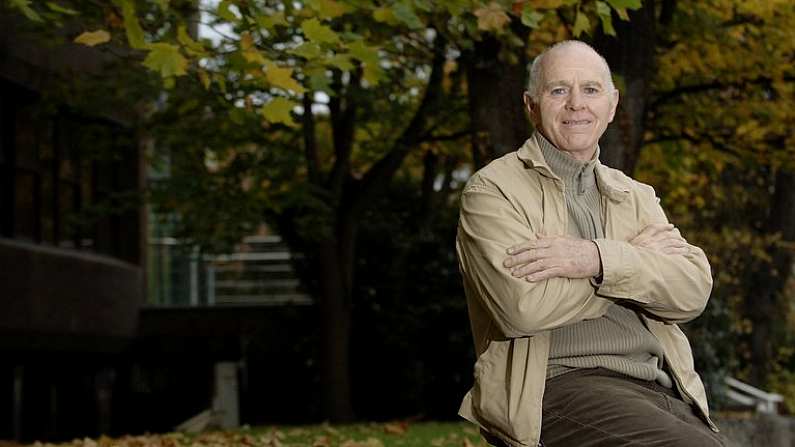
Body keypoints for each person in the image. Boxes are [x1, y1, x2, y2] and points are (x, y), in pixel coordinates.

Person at [456, 40, 726, 447]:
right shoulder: (493, 190)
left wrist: (595, 259)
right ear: (531, 105)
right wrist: (635, 263)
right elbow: (522, 308)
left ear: (613, 105)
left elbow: (690, 292)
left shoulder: (635, 195)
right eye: (558, 90)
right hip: (554, 388)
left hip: (655, 385)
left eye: (591, 90)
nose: (576, 104)